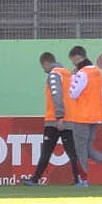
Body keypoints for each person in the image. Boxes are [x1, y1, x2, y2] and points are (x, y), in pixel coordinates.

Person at [22, 52, 80, 187]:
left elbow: (56, 95)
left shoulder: (54, 75)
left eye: (43, 66)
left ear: (46, 63)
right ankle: (79, 179)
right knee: (72, 151)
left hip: (55, 121)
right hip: (70, 119)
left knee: (46, 151)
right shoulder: (67, 74)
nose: (44, 70)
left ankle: (35, 179)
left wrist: (59, 116)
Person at [65, 45, 102, 186]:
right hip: (96, 116)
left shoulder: (82, 73)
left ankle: (83, 179)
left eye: (72, 60)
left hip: (82, 116)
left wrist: (72, 77)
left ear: (77, 57)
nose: (73, 63)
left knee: (80, 149)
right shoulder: (97, 72)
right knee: (87, 148)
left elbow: (73, 94)